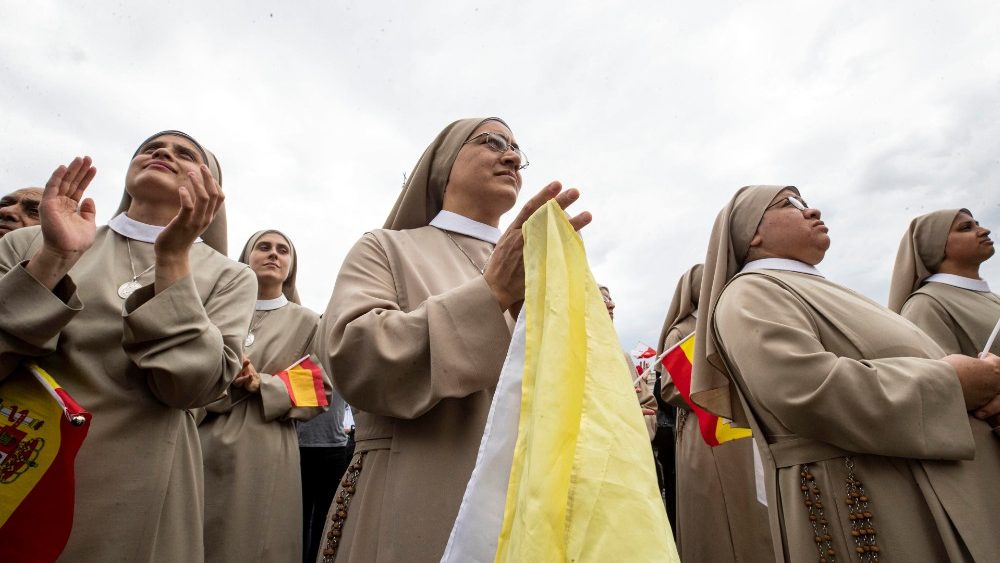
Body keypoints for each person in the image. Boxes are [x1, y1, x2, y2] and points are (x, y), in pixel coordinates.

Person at [316, 117, 590, 562]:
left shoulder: (540, 267)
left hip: (528, 503)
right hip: (413, 493)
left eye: (518, 150)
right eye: (492, 141)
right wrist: (490, 294)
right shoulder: (386, 248)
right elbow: (354, 354)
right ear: (443, 164)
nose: (513, 157)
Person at [691, 185, 1000, 562]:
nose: (812, 210)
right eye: (790, 204)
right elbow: (806, 389)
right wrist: (953, 383)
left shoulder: (818, 288)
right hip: (872, 495)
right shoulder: (751, 292)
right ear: (750, 232)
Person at [0, 131, 256, 562]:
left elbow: (190, 389)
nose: (163, 153)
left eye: (185, 153)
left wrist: (173, 259)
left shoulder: (230, 276)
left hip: (145, 479)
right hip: (21, 459)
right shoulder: (28, 242)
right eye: (151, 147)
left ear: (211, 187)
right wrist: (52, 260)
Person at [197, 229, 333, 562]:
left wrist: (264, 384)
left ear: (290, 267)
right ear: (245, 258)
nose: (273, 254)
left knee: (252, 537)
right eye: (264, 247)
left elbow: (319, 388)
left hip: (265, 445)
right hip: (202, 437)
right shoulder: (214, 311)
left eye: (283, 250)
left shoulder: (307, 321)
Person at [656, 263, 773, 562]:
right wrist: (717, 390)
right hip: (705, 430)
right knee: (717, 510)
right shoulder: (680, 333)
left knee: (750, 505)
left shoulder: (724, 322)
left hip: (739, 427)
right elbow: (671, 388)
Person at [889, 209, 1000, 362]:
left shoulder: (993, 297)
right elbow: (943, 380)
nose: (984, 231)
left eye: (977, 224)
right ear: (936, 245)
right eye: (966, 228)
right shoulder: (925, 305)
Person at [598, 283, 657, 439]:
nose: (612, 305)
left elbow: (649, 405)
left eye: (610, 298)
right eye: (603, 299)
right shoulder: (567, 358)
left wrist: (635, 421)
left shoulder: (622, 357)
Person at [299, 401, 353, 563]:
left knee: (326, 518)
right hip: (301, 447)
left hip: (334, 449)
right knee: (300, 518)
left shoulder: (340, 374)